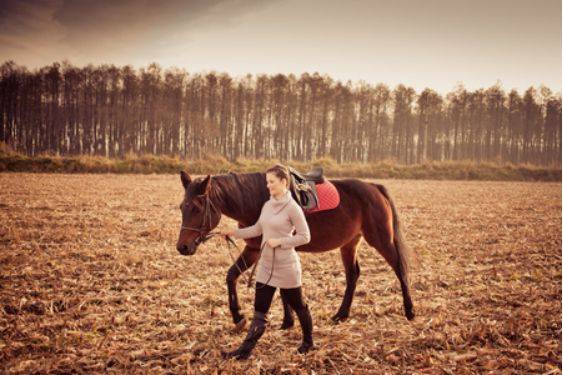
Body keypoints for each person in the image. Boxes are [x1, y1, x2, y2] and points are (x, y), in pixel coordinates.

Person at [220, 164, 314, 360]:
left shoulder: (293, 208)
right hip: (266, 266)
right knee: (259, 313)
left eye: (271, 182)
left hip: (287, 267)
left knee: (299, 306)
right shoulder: (268, 205)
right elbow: (257, 229)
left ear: (283, 182)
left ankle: (308, 342)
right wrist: (234, 232)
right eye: (267, 182)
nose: (268, 185)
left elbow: (305, 237)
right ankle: (244, 352)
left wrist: (280, 242)